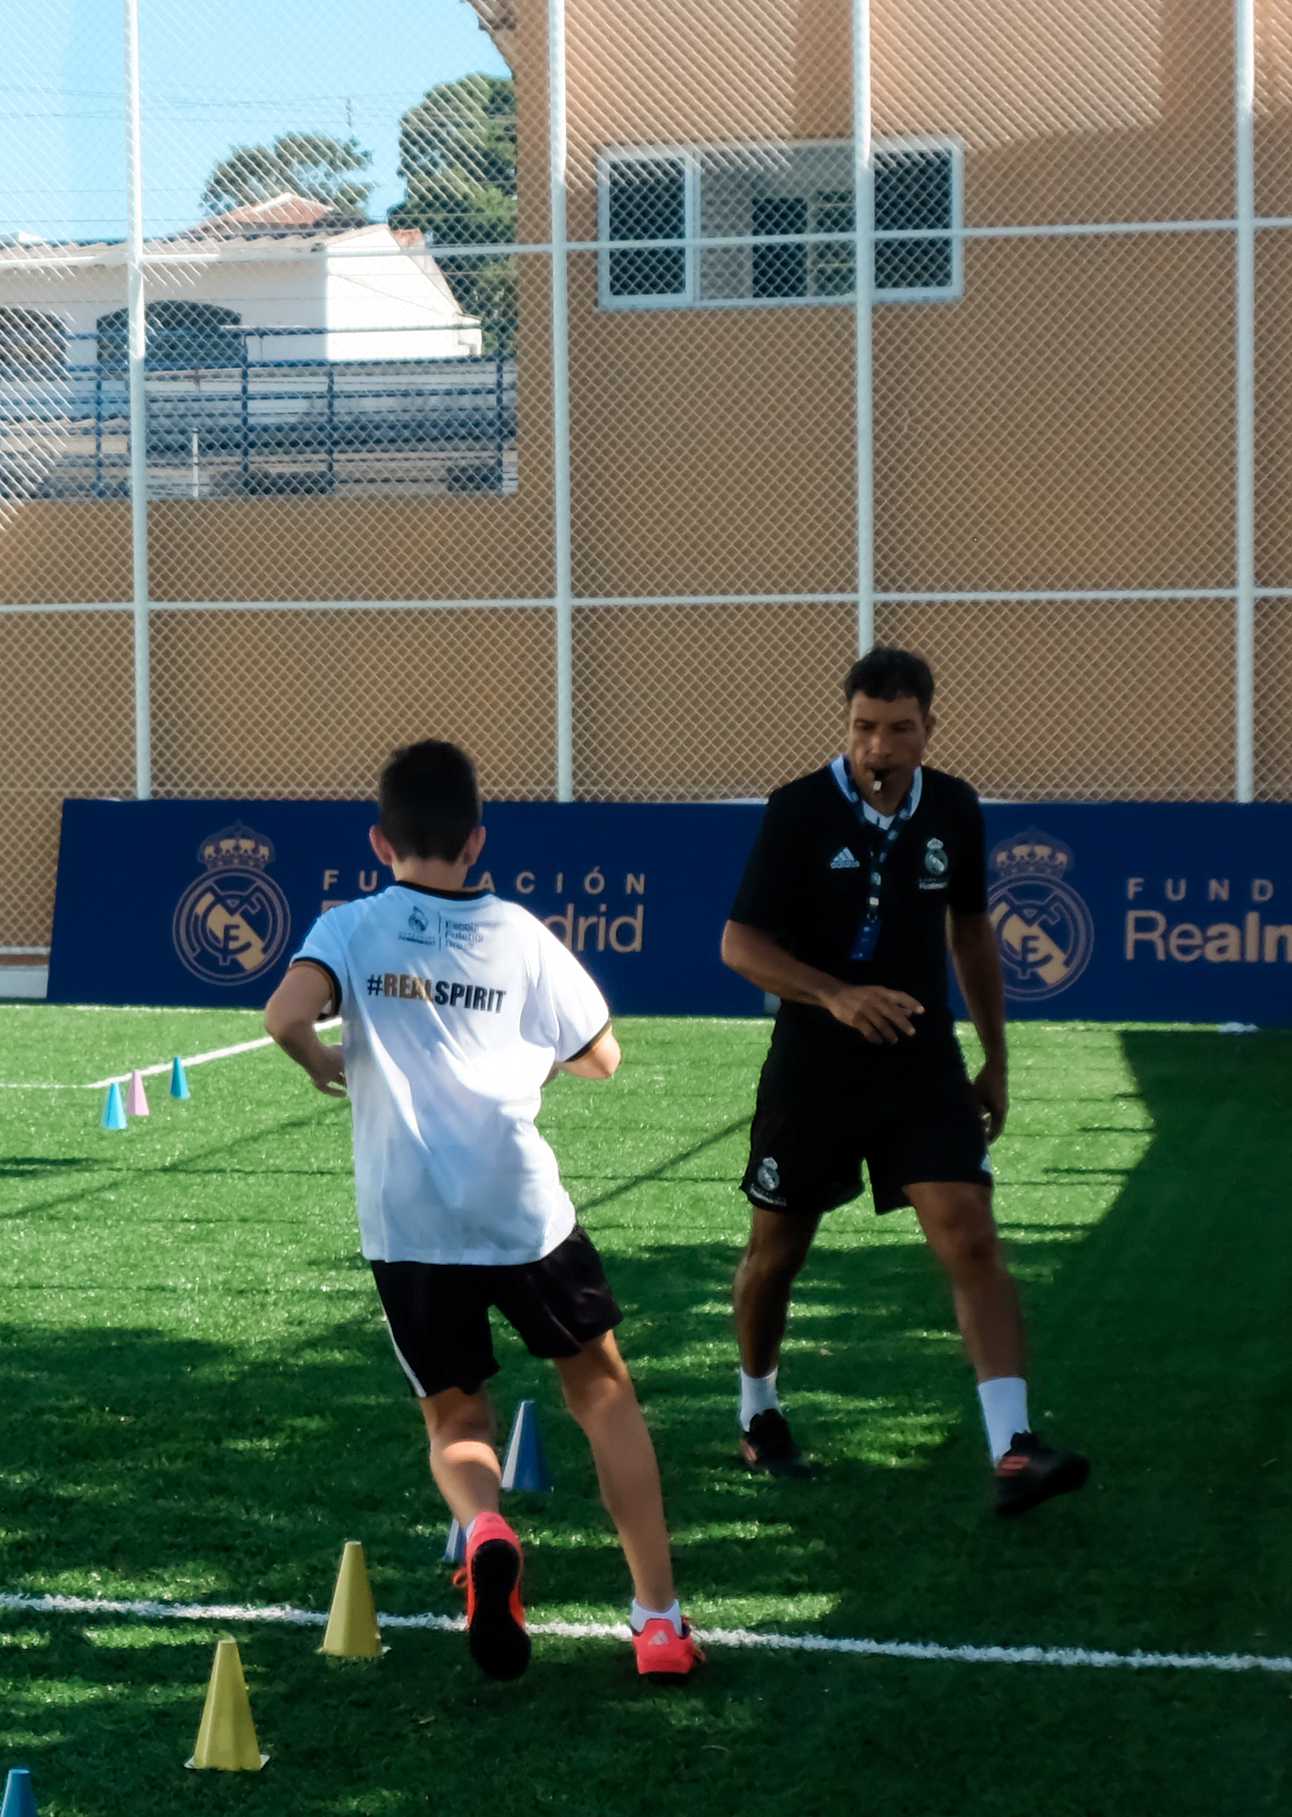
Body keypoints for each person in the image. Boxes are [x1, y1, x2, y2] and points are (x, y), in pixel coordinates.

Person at [264, 734, 695, 1683]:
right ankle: (659, 1621)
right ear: (476, 841)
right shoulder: (520, 933)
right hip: (519, 1208)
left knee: (456, 1419)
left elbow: (283, 1016)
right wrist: (533, 1052)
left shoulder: (349, 927)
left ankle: (487, 1528)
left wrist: (321, 1059)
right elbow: (602, 1057)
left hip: (408, 1221)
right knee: (603, 1392)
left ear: (380, 842)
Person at [719, 643, 1088, 1513]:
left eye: (898, 729)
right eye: (864, 728)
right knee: (776, 1255)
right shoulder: (798, 810)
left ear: (929, 728)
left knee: (972, 1234)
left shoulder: (955, 807)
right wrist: (836, 996)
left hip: (922, 1063)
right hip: (814, 1069)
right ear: (845, 723)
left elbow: (971, 932)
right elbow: (740, 944)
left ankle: (1013, 1448)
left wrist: (995, 1058)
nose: (878, 747)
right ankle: (758, 1410)